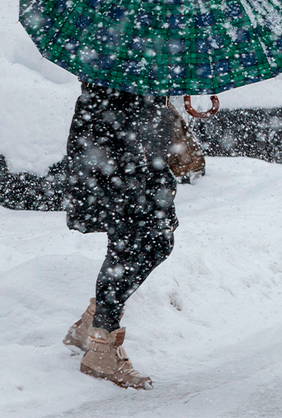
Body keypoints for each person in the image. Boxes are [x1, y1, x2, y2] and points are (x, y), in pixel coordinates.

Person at [60, 82, 178, 390]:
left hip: (131, 151)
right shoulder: (124, 48)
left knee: (152, 243)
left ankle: (93, 324)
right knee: (130, 247)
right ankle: (101, 346)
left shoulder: (140, 50)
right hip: (119, 152)